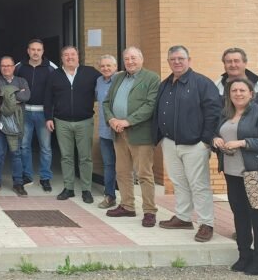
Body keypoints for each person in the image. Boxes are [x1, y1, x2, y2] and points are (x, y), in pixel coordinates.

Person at [152, 45, 221, 242]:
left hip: (195, 145)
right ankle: (183, 217)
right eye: (173, 59)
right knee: (179, 182)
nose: (177, 62)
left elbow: (214, 112)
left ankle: (206, 223)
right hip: (170, 142)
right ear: (168, 62)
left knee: (199, 185)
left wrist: (205, 141)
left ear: (189, 60)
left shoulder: (202, 83)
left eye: (180, 58)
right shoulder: (165, 84)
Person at [215, 47, 258, 242]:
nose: (233, 64)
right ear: (224, 64)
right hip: (232, 158)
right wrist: (215, 140)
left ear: (245, 63)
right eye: (228, 61)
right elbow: (216, 120)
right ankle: (244, 232)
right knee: (239, 201)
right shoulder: (217, 86)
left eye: (236, 60)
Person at [212, 78, 258, 276]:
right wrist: (215, 139)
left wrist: (243, 143)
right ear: (229, 94)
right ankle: (244, 255)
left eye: (242, 90)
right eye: (234, 91)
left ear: (251, 93)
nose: (238, 94)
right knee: (240, 215)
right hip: (232, 173)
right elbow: (215, 132)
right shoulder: (226, 113)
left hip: (256, 173)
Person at [103, 47, 160, 227]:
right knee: (122, 171)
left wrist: (127, 121)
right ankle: (127, 206)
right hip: (119, 133)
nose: (130, 62)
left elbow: (150, 105)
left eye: (133, 58)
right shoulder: (118, 78)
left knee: (144, 174)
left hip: (140, 134)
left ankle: (149, 211)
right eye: (127, 59)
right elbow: (106, 102)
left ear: (141, 59)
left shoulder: (152, 78)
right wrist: (112, 119)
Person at [44, 46, 101, 203]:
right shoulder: (54, 75)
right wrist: (48, 118)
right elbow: (48, 98)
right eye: (66, 55)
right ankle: (68, 188)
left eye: (73, 54)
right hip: (62, 122)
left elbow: (106, 82)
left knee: (85, 157)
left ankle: (86, 190)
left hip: (85, 121)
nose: (70, 57)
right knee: (66, 157)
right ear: (62, 58)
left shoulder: (90, 73)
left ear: (78, 56)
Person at [14, 39, 57, 192]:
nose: (35, 52)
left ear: (43, 51)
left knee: (45, 147)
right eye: (33, 49)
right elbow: (11, 83)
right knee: (24, 146)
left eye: (39, 50)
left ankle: (45, 178)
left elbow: (56, 91)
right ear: (28, 51)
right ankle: (27, 175)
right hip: (24, 111)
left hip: (43, 113)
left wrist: (51, 114)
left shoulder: (52, 68)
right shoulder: (19, 67)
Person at [0, 56, 30, 197]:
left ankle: (18, 183)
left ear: (14, 67)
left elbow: (26, 96)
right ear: (0, 67)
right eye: (3, 66)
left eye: (9, 65)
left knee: (16, 154)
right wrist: (15, 93)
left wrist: (5, 95)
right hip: (0, 124)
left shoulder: (22, 81)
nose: (6, 68)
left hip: (16, 124)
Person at [95, 54, 118, 209]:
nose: (105, 68)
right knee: (108, 165)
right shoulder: (99, 81)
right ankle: (110, 196)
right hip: (104, 131)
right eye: (103, 66)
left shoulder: (121, 80)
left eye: (109, 65)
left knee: (123, 166)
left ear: (115, 67)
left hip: (120, 130)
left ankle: (128, 201)